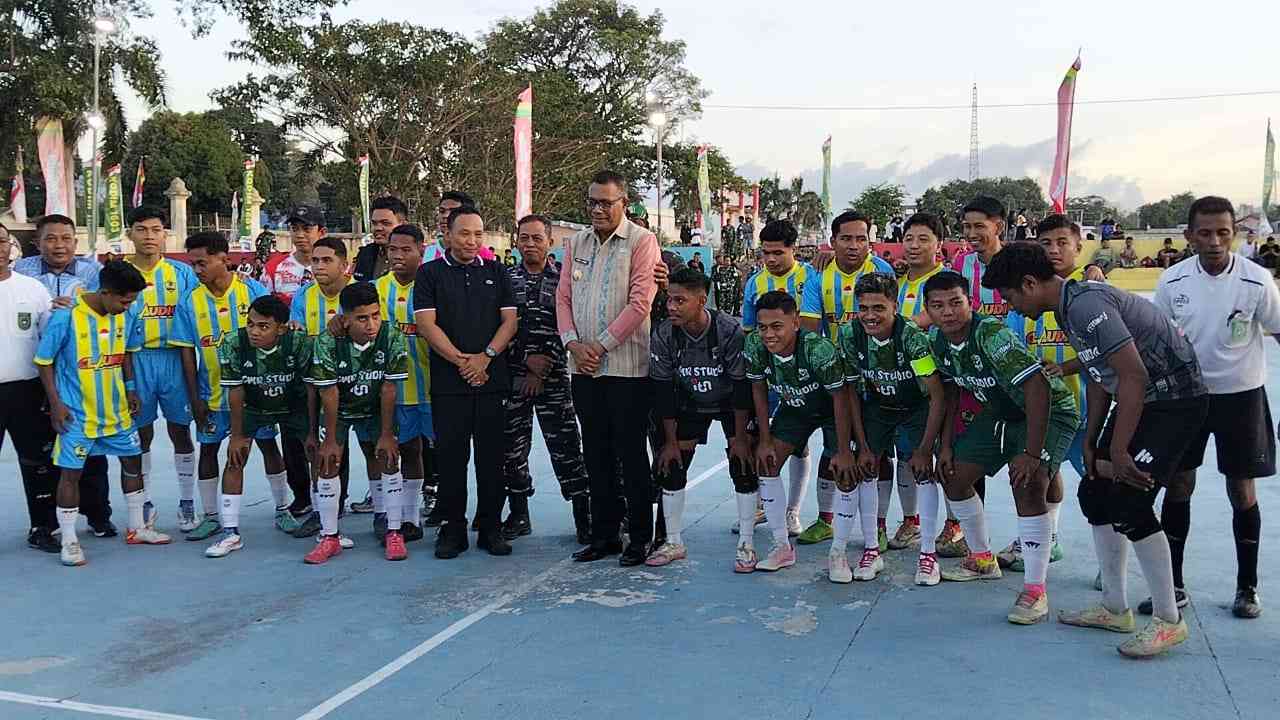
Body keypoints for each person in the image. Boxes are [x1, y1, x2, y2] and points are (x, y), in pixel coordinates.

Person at [984, 241, 1208, 657]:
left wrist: (1118, 451)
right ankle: (1114, 608)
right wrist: (1091, 440)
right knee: (1094, 491)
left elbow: (1133, 376)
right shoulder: (1065, 307)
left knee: (1130, 501)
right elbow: (1099, 371)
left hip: (1175, 401)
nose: (1011, 307)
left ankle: (1168, 620)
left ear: (1029, 284)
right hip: (1142, 400)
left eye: (1010, 296)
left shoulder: (1087, 304)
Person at [925, 270, 1079, 625]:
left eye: (955, 302)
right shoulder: (938, 341)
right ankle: (982, 559)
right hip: (999, 412)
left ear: (971, 303)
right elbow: (951, 391)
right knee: (953, 476)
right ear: (928, 311)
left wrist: (1031, 453)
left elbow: (1037, 386)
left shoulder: (991, 334)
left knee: (1028, 482)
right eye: (938, 305)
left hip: (1050, 410)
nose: (947, 312)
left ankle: (1035, 590)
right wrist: (944, 445)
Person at [1153, 196, 1280, 619]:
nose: (1214, 241)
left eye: (1223, 232)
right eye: (1204, 233)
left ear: (1235, 233)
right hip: (1187, 398)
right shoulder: (1172, 282)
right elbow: (1156, 343)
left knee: (1242, 490)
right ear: (1189, 235)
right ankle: (1172, 586)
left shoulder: (1257, 280)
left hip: (1242, 398)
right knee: (1178, 486)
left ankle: (1247, 588)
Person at [36, 260, 171, 566]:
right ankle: (69, 540)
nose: (129, 307)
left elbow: (126, 354)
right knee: (71, 474)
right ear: (106, 292)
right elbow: (44, 362)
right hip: (77, 415)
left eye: (132, 301)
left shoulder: (126, 315)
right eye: (125, 301)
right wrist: (56, 404)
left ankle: (137, 527)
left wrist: (131, 388)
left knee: (133, 462)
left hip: (117, 411)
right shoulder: (67, 317)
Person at [557, 170, 660, 566]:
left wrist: (598, 346)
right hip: (582, 368)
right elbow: (563, 299)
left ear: (624, 204)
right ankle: (604, 536)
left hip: (626, 369)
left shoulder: (642, 241)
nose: (598, 209)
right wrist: (572, 344)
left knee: (631, 455)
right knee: (595, 454)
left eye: (606, 202)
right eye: (593, 202)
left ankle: (640, 537)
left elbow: (640, 303)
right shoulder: (576, 242)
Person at [416, 206, 519, 559]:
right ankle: (453, 530)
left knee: (492, 460)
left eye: (478, 233)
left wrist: (485, 358)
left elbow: (509, 322)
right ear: (447, 234)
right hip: (450, 385)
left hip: (491, 381)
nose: (472, 241)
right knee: (450, 460)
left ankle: (491, 528)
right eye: (464, 233)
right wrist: (463, 362)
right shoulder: (429, 274)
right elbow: (427, 325)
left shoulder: (497, 271)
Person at [997, 215, 1098, 573]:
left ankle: (1111, 559)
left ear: (1079, 247)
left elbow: (1108, 353)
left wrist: (1066, 368)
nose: (1054, 250)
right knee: (1044, 474)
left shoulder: (1090, 292)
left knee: (1100, 483)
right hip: (1043, 410)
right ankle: (1047, 538)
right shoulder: (1026, 294)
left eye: (1062, 242)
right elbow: (1011, 345)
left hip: (1086, 409)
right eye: (1045, 243)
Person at [173, 232, 283, 543]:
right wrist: (195, 399)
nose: (197, 270)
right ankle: (210, 516)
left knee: (268, 446)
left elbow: (276, 336)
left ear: (224, 259)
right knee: (209, 450)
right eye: (193, 264)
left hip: (256, 395)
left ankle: (282, 508)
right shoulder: (189, 301)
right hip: (212, 395)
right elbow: (186, 353)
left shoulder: (252, 291)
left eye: (202, 263)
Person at [836, 273, 946, 584]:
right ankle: (872, 549)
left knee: (923, 471)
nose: (870, 315)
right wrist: (862, 445)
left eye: (878, 308)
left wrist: (925, 449)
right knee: (865, 468)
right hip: (878, 407)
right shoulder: (849, 335)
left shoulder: (912, 338)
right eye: (863, 308)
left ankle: (928, 555)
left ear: (894, 307)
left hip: (916, 407)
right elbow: (850, 390)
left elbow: (936, 394)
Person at [795, 210, 893, 546]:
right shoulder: (818, 278)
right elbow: (810, 332)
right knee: (833, 447)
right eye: (846, 238)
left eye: (861, 239)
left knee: (878, 452)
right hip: (835, 380)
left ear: (869, 242)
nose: (854, 245)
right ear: (832, 241)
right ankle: (826, 519)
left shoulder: (883, 271)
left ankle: (879, 526)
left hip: (877, 378)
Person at [648, 268, 756, 569]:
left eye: (680, 301)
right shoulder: (664, 333)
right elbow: (662, 391)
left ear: (701, 300)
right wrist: (670, 442)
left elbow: (741, 387)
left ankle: (746, 543)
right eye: (669, 300)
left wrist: (740, 438)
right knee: (672, 464)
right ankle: (673, 541)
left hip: (729, 402)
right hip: (690, 401)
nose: (672, 307)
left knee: (742, 463)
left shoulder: (729, 331)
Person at [15, 214, 114, 537]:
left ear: (76, 241)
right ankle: (46, 522)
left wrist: (79, 307)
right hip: (36, 371)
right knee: (42, 450)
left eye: (66, 238)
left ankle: (98, 514)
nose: (59, 245)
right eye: (50, 238)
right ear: (37, 243)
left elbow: (107, 310)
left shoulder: (93, 272)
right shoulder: (22, 273)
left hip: (82, 371)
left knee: (91, 444)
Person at [746, 290, 859, 572]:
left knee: (845, 473)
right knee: (767, 463)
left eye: (776, 326)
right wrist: (764, 439)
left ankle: (839, 553)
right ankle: (782, 547)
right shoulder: (755, 345)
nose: (768, 334)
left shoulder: (818, 350)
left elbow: (841, 397)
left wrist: (844, 450)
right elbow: (758, 389)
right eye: (762, 327)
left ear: (795, 323)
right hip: (794, 408)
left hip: (831, 410)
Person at [501, 214, 591, 543]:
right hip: (515, 377)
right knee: (512, 449)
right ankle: (519, 514)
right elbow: (498, 326)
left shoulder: (566, 279)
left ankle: (583, 515)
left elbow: (572, 323)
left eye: (537, 238)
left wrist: (544, 366)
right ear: (516, 241)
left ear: (550, 242)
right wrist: (526, 361)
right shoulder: (505, 280)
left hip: (553, 378)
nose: (530, 244)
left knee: (567, 447)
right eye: (524, 238)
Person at [201, 295, 313, 559]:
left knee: (316, 454)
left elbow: (311, 387)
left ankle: (326, 526)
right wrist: (237, 435)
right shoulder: (232, 342)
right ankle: (230, 533)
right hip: (253, 406)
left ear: (281, 329)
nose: (254, 331)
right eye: (250, 324)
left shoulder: (299, 341)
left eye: (263, 326)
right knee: (235, 458)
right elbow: (235, 390)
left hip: (292, 405)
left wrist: (312, 430)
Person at [306, 283, 408, 564]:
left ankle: (393, 531)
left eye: (375, 315)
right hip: (339, 409)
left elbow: (389, 388)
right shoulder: (327, 342)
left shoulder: (392, 336)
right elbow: (329, 392)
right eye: (362, 318)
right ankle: (330, 537)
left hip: (375, 407)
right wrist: (328, 439)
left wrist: (386, 434)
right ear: (345, 318)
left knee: (387, 456)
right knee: (328, 461)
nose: (371, 324)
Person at [121, 206, 199, 533]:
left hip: (175, 360)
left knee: (181, 431)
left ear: (165, 234)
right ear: (130, 233)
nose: (149, 236)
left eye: (156, 230)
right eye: (141, 229)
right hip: (135, 361)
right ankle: (145, 501)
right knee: (141, 434)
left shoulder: (181, 274)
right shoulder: (118, 272)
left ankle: (187, 501)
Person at [741, 220, 815, 538]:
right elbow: (748, 330)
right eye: (766, 253)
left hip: (804, 375)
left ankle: (792, 512)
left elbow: (814, 327)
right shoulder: (754, 282)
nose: (770, 259)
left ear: (792, 249)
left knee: (800, 444)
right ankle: (763, 504)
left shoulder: (810, 277)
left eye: (777, 253)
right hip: (769, 376)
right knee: (761, 438)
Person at [373, 224, 435, 544]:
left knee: (443, 452)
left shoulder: (433, 285)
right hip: (393, 391)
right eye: (392, 249)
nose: (397, 255)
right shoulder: (376, 290)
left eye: (405, 250)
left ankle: (446, 511)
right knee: (402, 450)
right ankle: (401, 518)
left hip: (433, 387)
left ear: (421, 251)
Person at [0, 227, 61, 552]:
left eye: (1, 241)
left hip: (27, 391)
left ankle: (43, 527)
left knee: (38, 462)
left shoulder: (32, 289)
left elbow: (50, 341)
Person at [288, 237, 354, 536]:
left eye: (327, 260)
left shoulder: (358, 293)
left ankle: (385, 513)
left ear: (344, 265)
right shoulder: (303, 295)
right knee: (320, 447)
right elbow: (298, 334)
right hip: (317, 386)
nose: (318, 266)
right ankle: (322, 509)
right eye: (315, 260)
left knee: (367, 447)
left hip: (355, 383)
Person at [263, 205, 322, 305]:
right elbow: (263, 306)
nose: (299, 235)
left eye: (306, 229)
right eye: (295, 229)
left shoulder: (336, 268)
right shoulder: (272, 268)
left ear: (322, 232)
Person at [352, 196, 409, 283]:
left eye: (385, 223)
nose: (378, 228)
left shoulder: (419, 257)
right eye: (374, 223)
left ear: (403, 225)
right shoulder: (365, 254)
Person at [428, 190, 475, 263]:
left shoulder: (484, 255)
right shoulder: (427, 252)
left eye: (453, 212)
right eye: (442, 211)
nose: (445, 216)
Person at [711, 252, 743, 317]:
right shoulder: (719, 269)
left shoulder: (733, 269)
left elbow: (735, 278)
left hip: (730, 291)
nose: (728, 262)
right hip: (721, 291)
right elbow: (714, 278)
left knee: (729, 307)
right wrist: (719, 285)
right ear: (724, 261)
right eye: (726, 260)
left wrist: (731, 285)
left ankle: (728, 317)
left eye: (729, 261)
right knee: (721, 307)